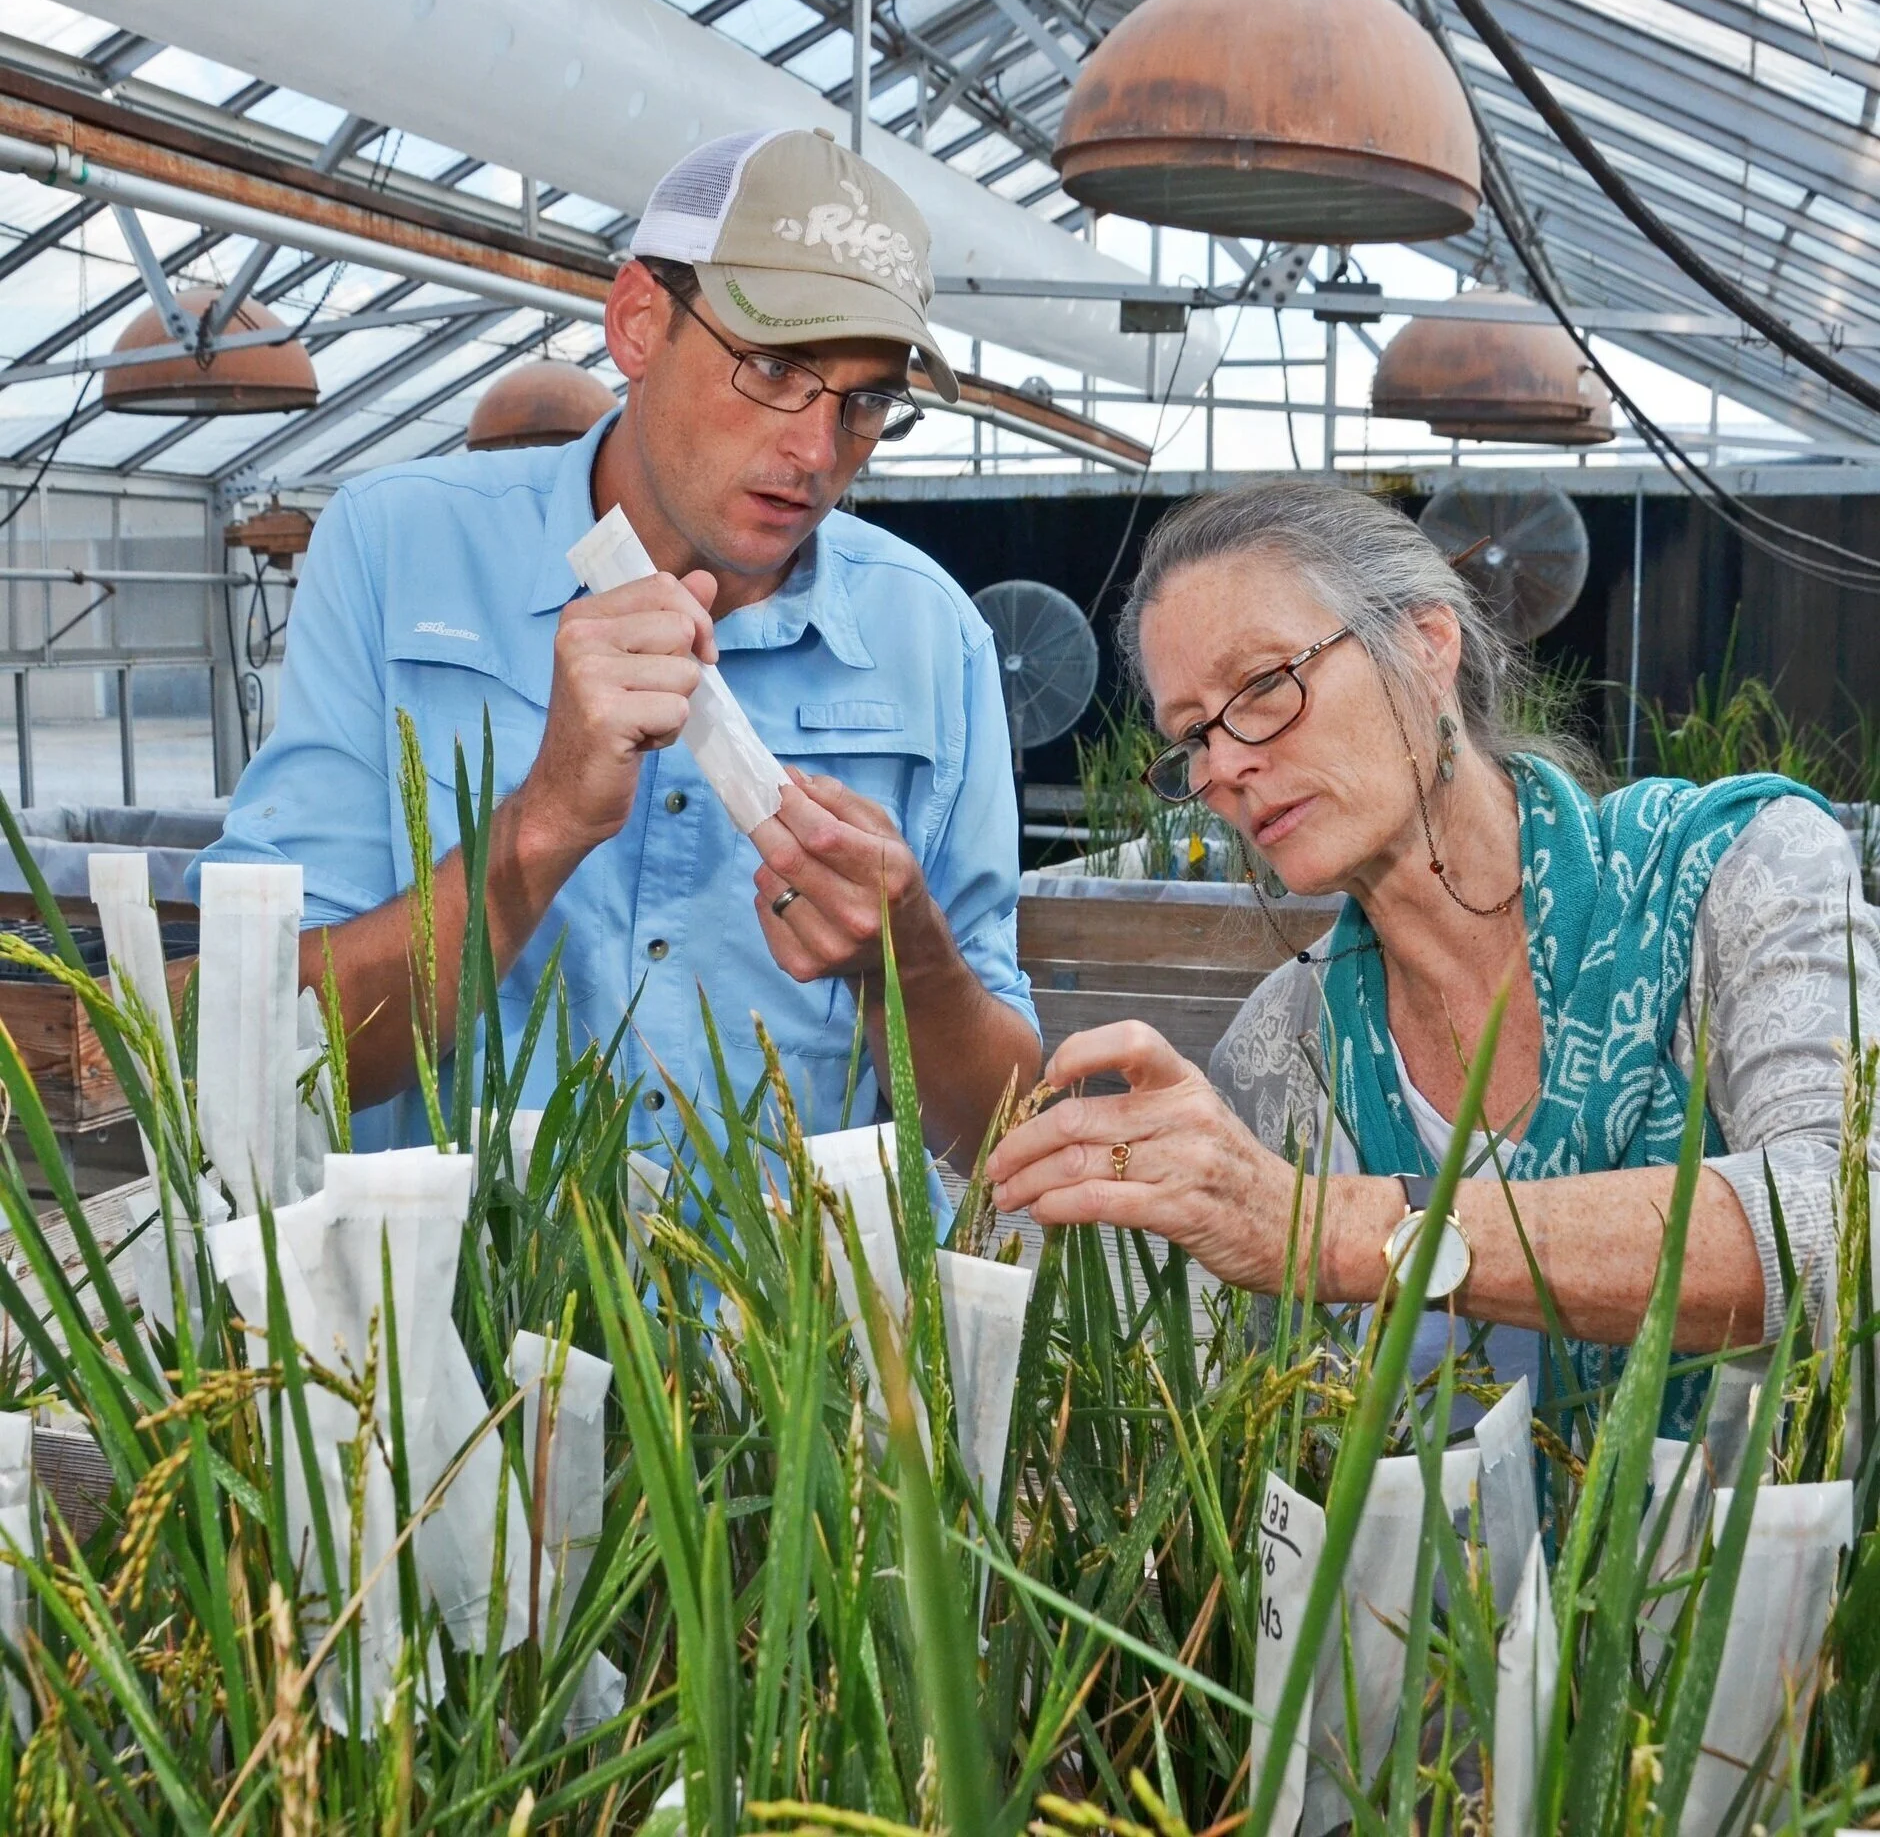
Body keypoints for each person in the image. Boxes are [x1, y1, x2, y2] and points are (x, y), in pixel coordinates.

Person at [194, 128, 1041, 1157]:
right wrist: (541, 823)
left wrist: (911, 965)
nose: (817, 453)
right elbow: (257, 1040)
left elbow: (995, 1128)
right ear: (639, 322)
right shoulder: (399, 550)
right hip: (448, 1307)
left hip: (780, 1315)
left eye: (865, 401)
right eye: (773, 367)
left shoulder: (930, 633)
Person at [986, 478, 1880, 1431]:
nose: (1227, 765)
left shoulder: (1729, 877)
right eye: (1192, 737)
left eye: (1261, 688)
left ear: (1425, 644)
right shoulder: (1287, 1049)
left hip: (1727, 1573)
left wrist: (1324, 1230)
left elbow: (1846, 1225)